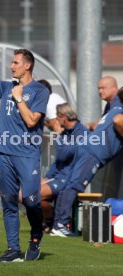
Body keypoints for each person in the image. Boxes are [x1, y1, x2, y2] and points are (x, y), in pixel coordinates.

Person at [0, 36, 49, 262]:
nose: (11, 66)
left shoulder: (39, 91)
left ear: (27, 65)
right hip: (5, 153)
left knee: (31, 200)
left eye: (16, 62)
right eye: (12, 62)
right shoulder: (7, 86)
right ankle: (13, 249)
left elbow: (31, 122)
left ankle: (36, 236)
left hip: (27, 154)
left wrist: (19, 99)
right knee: (8, 200)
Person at [52, 89, 123, 237]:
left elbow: (100, 123)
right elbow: (117, 121)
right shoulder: (119, 111)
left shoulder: (116, 107)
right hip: (94, 152)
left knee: (69, 185)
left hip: (87, 148)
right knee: (75, 185)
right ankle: (60, 224)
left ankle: (58, 223)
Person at [40, 103, 89, 231]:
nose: (56, 119)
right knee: (25, 194)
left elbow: (63, 154)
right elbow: (58, 161)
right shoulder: (66, 133)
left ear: (63, 117)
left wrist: (58, 134)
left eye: (57, 116)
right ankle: (50, 220)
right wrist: (47, 177)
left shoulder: (81, 133)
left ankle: (52, 221)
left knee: (33, 194)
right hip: (59, 175)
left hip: (69, 177)